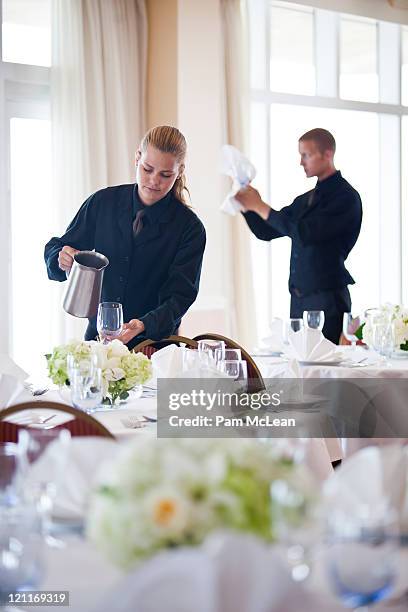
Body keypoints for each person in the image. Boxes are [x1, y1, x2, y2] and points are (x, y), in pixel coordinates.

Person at [44, 125, 206, 349]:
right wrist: (60, 258)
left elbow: (180, 297)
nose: (154, 181)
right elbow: (58, 246)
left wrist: (144, 324)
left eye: (165, 175)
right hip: (99, 343)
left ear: (179, 171)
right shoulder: (102, 203)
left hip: (154, 347)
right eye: (147, 169)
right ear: (137, 158)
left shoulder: (190, 228)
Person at [235, 128, 362, 344]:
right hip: (298, 300)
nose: (301, 162)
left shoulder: (346, 197)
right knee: (302, 370)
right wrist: (247, 206)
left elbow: (305, 233)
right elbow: (266, 231)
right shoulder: (305, 200)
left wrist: (261, 205)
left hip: (327, 298)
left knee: (324, 370)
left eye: (306, 155)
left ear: (328, 154)